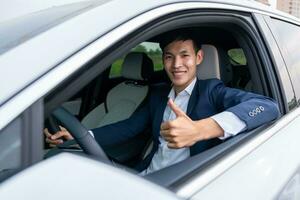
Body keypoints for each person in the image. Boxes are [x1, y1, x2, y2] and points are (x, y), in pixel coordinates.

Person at [45, 30, 280, 174]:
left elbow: (268, 106)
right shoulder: (158, 95)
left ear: (198, 58)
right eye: (169, 57)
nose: (177, 64)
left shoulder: (212, 90)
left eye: (185, 55)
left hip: (185, 182)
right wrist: (82, 136)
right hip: (146, 174)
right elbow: (129, 127)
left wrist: (201, 129)